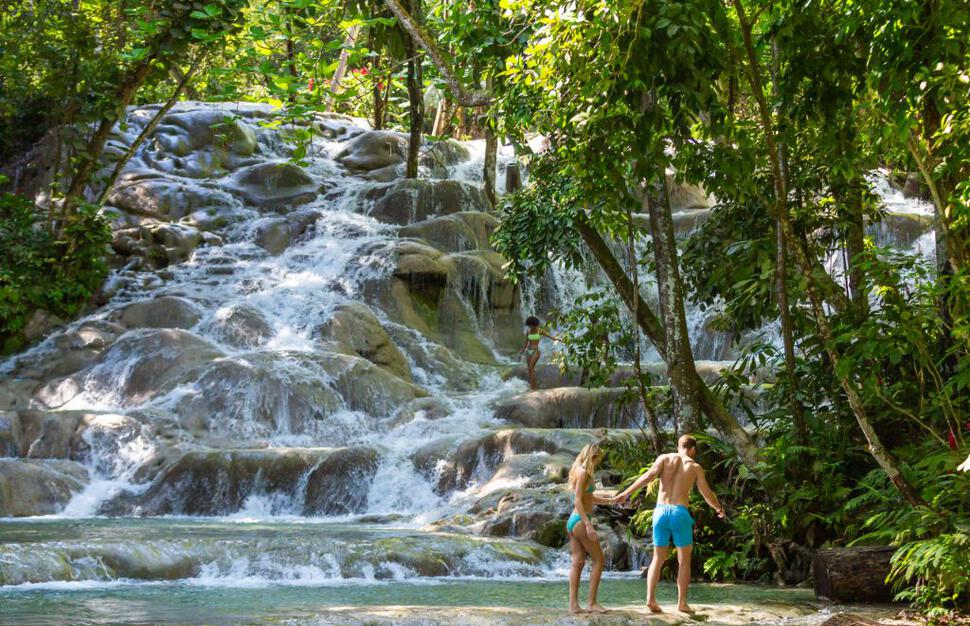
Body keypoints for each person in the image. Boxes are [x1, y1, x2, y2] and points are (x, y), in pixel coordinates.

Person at [614, 435, 726, 614]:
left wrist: (625, 493)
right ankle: (682, 603)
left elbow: (648, 476)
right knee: (684, 560)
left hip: (660, 512)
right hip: (679, 513)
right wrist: (719, 508)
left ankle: (650, 599)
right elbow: (706, 493)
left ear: (678, 446)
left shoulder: (664, 458)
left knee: (658, 558)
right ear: (693, 450)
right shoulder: (695, 467)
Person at [565, 443, 612, 615]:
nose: (598, 461)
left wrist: (611, 501)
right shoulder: (584, 472)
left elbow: (589, 498)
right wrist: (588, 524)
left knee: (578, 562)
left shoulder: (579, 470)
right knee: (599, 559)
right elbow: (577, 500)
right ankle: (591, 603)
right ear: (591, 455)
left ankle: (573, 606)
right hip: (580, 521)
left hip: (573, 521)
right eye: (596, 457)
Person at [520, 316, 557, 390]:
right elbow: (526, 343)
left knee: (531, 368)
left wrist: (558, 339)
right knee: (530, 370)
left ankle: (534, 387)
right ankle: (532, 387)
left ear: (535, 325)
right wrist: (521, 352)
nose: (531, 327)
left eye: (532, 325)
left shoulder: (540, 331)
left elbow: (550, 336)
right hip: (528, 351)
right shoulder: (528, 331)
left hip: (536, 351)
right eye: (529, 325)